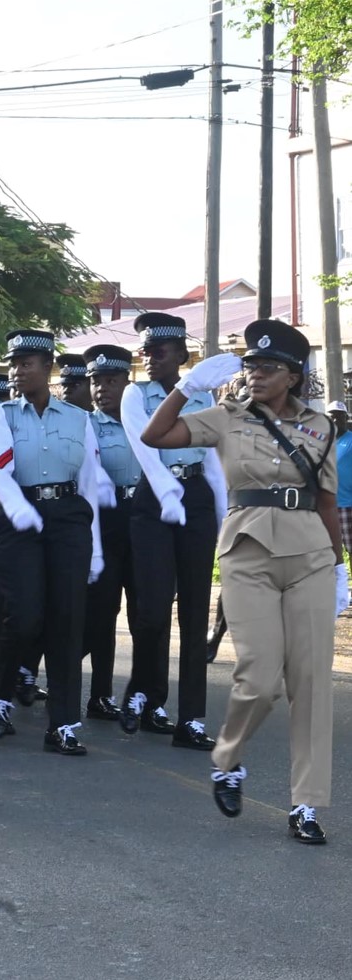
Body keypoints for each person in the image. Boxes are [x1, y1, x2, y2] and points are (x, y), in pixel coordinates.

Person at [141, 319, 344, 845]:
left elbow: (325, 500)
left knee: (311, 684)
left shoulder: (321, 426)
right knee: (257, 677)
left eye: (267, 367)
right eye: (251, 364)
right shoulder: (225, 419)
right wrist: (187, 387)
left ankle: (306, 804)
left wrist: (340, 565)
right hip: (248, 553)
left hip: (311, 557)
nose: (254, 373)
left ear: (294, 376)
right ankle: (228, 760)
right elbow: (156, 436)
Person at [0, 329, 103, 755]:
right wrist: (19, 509)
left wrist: (97, 547)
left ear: (47, 367)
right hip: (19, 519)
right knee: (25, 616)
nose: (16, 371)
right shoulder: (2, 416)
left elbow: (89, 481)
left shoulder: (78, 419)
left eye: (25, 363)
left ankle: (64, 724)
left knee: (67, 620)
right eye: (12, 363)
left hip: (68, 518)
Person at [119, 312, 226, 750]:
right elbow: (143, 448)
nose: (150, 357)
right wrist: (165, 493)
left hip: (196, 497)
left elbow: (215, 462)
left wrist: (223, 521)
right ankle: (146, 694)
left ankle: (192, 719)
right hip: (153, 502)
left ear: (182, 354)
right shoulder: (134, 392)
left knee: (196, 609)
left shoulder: (205, 397)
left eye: (159, 350)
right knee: (154, 607)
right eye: (145, 350)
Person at [81, 345, 142, 721]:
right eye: (95, 381)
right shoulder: (83, 424)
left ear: (126, 382)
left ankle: (143, 697)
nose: (102, 388)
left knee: (145, 616)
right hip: (104, 521)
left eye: (111, 380)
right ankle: (99, 695)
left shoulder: (146, 420)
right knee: (102, 613)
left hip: (145, 519)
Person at [330, 400, 352, 587]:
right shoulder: (324, 442)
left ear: (345, 418)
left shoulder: (351, 440)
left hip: (349, 504)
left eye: (338, 415)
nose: (335, 419)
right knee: (329, 550)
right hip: (327, 505)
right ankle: (337, 587)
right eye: (331, 415)